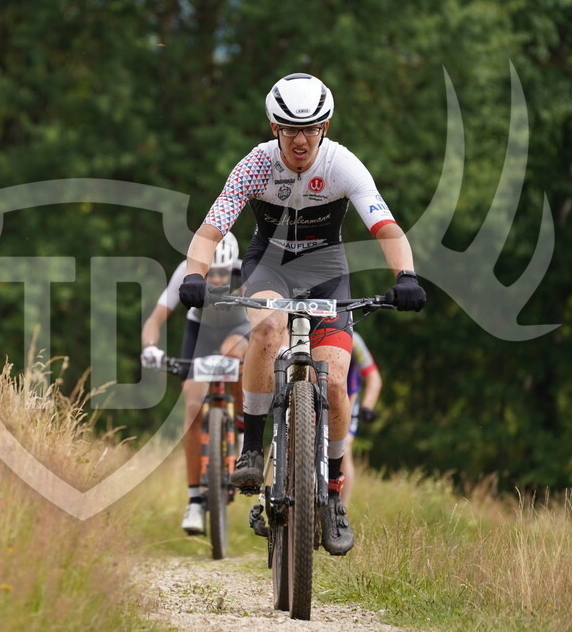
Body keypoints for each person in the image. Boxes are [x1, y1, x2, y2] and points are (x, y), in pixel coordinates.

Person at [177, 73, 426, 556]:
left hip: (327, 273)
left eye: (310, 128)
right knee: (267, 329)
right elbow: (210, 230)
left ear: (324, 127)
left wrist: (407, 276)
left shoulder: (342, 165)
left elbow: (386, 227)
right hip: (268, 266)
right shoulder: (255, 165)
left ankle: (331, 495)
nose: (300, 139)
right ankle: (252, 447)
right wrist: (194, 274)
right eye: (289, 128)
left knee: (333, 383)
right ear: (274, 128)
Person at [141, 232, 251, 535]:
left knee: (233, 355)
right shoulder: (185, 270)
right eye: (210, 272)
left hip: (237, 329)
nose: (216, 279)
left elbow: (266, 317)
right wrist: (150, 347)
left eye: (222, 272)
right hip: (200, 331)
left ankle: (242, 428)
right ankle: (194, 501)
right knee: (191, 406)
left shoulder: (245, 272)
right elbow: (154, 320)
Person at [341, 330, 382, 505]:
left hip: (348, 400)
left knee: (344, 448)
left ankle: (342, 509)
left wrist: (367, 406)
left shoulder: (353, 340)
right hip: (313, 398)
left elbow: (373, 377)